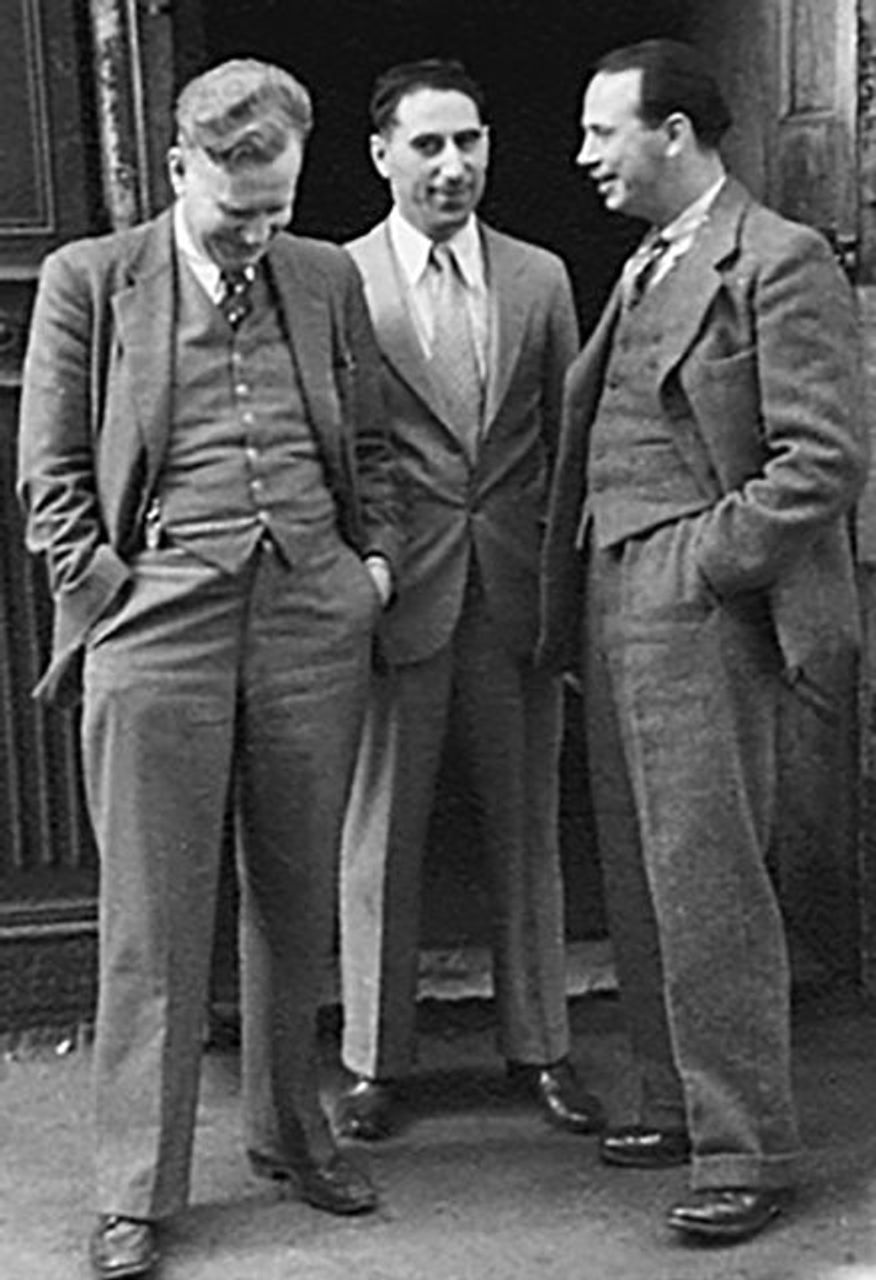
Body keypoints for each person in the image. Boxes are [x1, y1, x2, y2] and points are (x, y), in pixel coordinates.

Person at [18, 58, 400, 1280]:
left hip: (310, 612)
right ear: (180, 167)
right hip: (158, 619)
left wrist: (370, 566)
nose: (256, 234)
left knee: (297, 895)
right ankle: (135, 1187)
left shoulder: (326, 275)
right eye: (236, 212)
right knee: (153, 915)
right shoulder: (92, 278)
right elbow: (50, 473)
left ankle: (294, 1134)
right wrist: (106, 592)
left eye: (277, 208)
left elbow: (371, 440)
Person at [539, 38, 866, 1242]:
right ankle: (678, 1099)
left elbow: (821, 459)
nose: (585, 154)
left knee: (708, 875)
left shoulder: (778, 259)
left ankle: (748, 1145)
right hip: (615, 587)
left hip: (698, 598)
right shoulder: (648, 260)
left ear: (674, 134)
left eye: (603, 130)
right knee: (641, 866)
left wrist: (703, 560)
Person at [335, 57, 602, 1142]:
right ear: (380, 155)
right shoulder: (338, 280)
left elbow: (569, 444)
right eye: (429, 145)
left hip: (512, 592)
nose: (454, 166)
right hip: (398, 593)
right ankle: (373, 1060)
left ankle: (542, 1047)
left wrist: (566, 588)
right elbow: (337, 449)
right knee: (380, 833)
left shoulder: (540, 277)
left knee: (528, 827)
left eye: (470, 141)